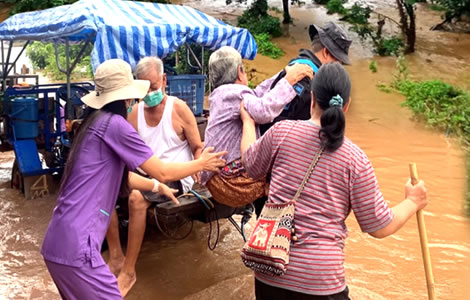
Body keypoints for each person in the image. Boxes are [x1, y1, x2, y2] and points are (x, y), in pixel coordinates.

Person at [40, 59, 226, 299]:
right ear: (127, 96)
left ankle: (119, 260)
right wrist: (200, 164)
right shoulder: (116, 125)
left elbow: (123, 176)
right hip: (79, 248)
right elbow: (163, 171)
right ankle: (123, 265)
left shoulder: (93, 124)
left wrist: (156, 186)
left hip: (56, 243)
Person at [240, 62, 428, 299]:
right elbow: (380, 226)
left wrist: (248, 121)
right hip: (321, 281)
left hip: (269, 270)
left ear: (312, 100)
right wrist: (413, 201)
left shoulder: (281, 133)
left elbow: (250, 163)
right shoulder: (355, 159)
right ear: (346, 106)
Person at [105, 56, 204, 297]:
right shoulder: (135, 113)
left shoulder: (178, 108)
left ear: (164, 80)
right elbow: (126, 153)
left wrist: (199, 167)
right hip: (151, 175)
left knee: (137, 198)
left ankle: (129, 271)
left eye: (153, 86)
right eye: (143, 87)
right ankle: (116, 255)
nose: (149, 92)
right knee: (105, 185)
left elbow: (196, 146)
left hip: (177, 177)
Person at [201, 46, 313, 208]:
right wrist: (289, 82)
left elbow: (257, 94)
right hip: (231, 182)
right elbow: (262, 110)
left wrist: (283, 73)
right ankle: (274, 190)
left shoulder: (221, 95)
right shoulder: (234, 94)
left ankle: (270, 190)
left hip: (217, 182)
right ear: (240, 72)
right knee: (284, 154)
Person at [260, 21, 352, 135]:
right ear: (326, 52)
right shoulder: (305, 77)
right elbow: (276, 123)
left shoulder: (296, 66)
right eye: (339, 61)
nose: (339, 67)